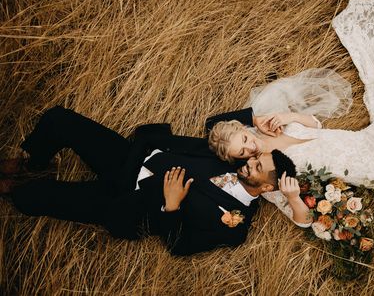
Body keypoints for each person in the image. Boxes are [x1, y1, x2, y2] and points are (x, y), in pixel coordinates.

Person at [206, 0, 374, 226]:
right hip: (371, 165)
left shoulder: (271, 126)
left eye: (244, 140)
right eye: (241, 153)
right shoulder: (270, 173)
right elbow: (303, 220)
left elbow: (317, 125)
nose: (249, 149)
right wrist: (292, 196)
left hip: (366, 139)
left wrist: (288, 116)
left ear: (244, 129)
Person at [0, 106, 297, 256]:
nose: (251, 161)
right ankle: (36, 164)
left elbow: (180, 246)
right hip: (130, 159)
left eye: (257, 167)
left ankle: (24, 185)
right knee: (58, 119)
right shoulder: (233, 158)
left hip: (130, 203)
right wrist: (253, 119)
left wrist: (172, 207)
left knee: (32, 197)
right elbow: (213, 125)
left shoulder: (237, 225)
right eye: (255, 158)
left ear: (268, 187)